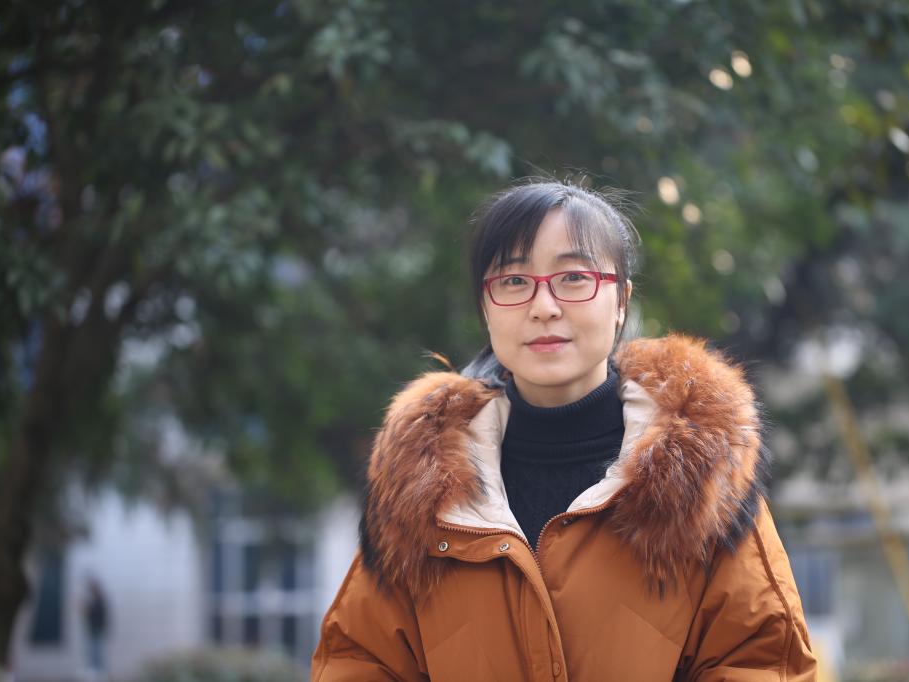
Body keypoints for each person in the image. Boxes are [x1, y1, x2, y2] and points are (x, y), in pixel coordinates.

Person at [312, 180, 817, 681]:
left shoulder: (702, 478)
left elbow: (760, 662)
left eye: (574, 277)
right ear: (485, 307)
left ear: (621, 301)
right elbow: (360, 662)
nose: (544, 306)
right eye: (513, 281)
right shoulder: (420, 491)